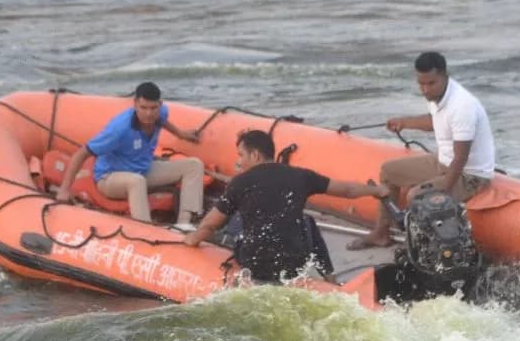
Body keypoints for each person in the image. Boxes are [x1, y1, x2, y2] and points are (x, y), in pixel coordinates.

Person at [183, 129, 390, 283]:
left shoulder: (240, 182)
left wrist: (192, 239)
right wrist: (376, 191)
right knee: (307, 221)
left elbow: (210, 225)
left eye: (241, 155)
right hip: (294, 264)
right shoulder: (301, 176)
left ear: (255, 155)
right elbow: (347, 190)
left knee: (235, 221)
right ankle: (330, 278)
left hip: (256, 265)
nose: (239, 162)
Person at [348, 51, 496, 250]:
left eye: (430, 83)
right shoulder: (438, 96)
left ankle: (422, 247)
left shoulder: (462, 106)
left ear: (444, 76)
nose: (425, 90)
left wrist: (442, 193)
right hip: (443, 161)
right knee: (389, 171)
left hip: (470, 175)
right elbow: (434, 121)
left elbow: (461, 159)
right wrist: (404, 122)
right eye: (421, 84)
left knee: (417, 195)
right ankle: (381, 233)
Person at [56, 82, 204, 225]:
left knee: (194, 165)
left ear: (160, 104)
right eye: (143, 107)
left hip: (142, 169)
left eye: (153, 108)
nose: (148, 113)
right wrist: (64, 189)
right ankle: (145, 227)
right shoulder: (119, 129)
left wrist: (180, 134)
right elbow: (82, 153)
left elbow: (162, 120)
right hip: (110, 178)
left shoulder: (161, 112)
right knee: (136, 181)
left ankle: (184, 224)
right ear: (135, 104)